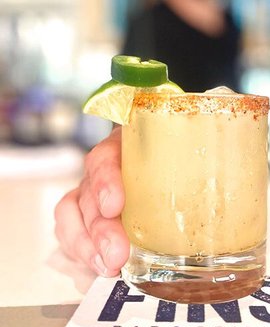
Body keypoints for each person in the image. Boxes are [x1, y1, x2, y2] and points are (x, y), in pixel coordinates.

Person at [54, 0, 241, 277]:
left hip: (224, 175)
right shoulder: (149, 19)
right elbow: (128, 104)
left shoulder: (231, 23)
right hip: (167, 174)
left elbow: (235, 94)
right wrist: (113, 163)